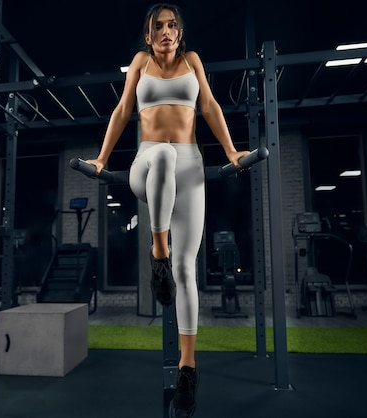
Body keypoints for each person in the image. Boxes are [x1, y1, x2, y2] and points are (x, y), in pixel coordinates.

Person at [86, 3, 249, 417]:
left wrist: (230, 150)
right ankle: (158, 251)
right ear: (148, 35)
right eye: (158, 26)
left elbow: (209, 106)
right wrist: (103, 159)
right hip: (148, 163)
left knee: (187, 270)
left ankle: (188, 368)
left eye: (172, 25)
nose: (166, 31)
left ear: (180, 33)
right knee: (162, 157)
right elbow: (124, 110)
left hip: (191, 163)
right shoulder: (140, 63)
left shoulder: (193, 62)